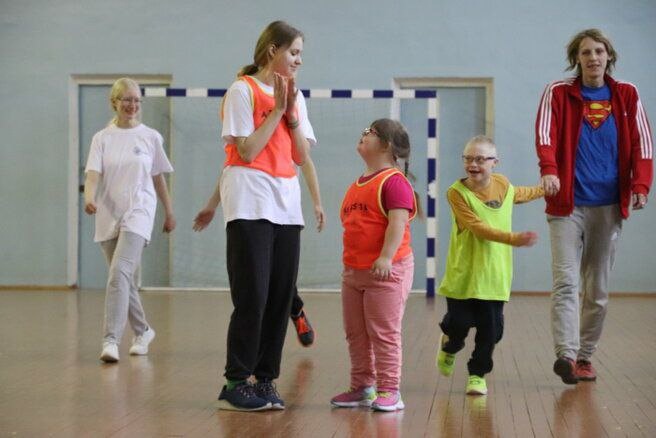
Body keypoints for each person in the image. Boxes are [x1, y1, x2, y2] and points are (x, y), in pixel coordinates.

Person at [205, 21, 315, 411]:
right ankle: (235, 382)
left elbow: (301, 156)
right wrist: (277, 111)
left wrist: (292, 114)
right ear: (272, 50)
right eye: (294, 52)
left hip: (286, 202)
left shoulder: (296, 98)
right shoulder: (242, 90)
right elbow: (247, 151)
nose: (299, 60)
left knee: (281, 295)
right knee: (254, 293)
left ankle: (266, 379)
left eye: (301, 54)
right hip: (249, 198)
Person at [535, 29, 653, 384]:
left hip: (608, 205)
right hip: (566, 206)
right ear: (577, 58)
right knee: (566, 282)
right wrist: (550, 171)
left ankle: (585, 356)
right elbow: (545, 135)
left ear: (608, 56)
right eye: (586, 52)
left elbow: (643, 144)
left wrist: (641, 184)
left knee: (597, 288)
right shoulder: (557, 92)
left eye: (599, 51)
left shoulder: (627, 95)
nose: (593, 58)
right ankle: (566, 355)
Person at [435, 135, 543, 395]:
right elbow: (478, 227)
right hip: (463, 275)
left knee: (491, 330)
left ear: (495, 162)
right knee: (458, 324)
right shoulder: (456, 193)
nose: (473, 164)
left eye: (480, 159)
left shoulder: (503, 184)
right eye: (468, 158)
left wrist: (544, 189)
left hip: (495, 275)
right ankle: (450, 345)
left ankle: (477, 374)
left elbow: (519, 194)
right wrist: (512, 238)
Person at [83, 77, 176, 363]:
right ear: (115, 102)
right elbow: (93, 174)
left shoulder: (150, 137)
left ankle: (111, 340)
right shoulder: (102, 138)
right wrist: (90, 197)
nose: (132, 105)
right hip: (109, 213)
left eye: (136, 100)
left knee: (118, 274)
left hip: (140, 211)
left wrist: (168, 211)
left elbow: (158, 176)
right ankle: (143, 330)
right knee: (123, 279)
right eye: (126, 99)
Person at [331, 119, 419, 412]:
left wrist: (384, 256)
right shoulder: (358, 183)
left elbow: (397, 223)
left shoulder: (394, 182)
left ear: (386, 145)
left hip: (386, 272)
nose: (363, 135)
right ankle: (362, 387)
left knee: (383, 332)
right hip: (354, 273)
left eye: (368, 132)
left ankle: (390, 390)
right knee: (356, 333)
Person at [193, 158, 323, 346]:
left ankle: (296, 311)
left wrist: (317, 203)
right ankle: (251, 356)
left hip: (283, 211)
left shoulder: (296, 128)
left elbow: (306, 161)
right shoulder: (247, 136)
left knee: (279, 279)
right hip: (254, 210)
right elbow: (231, 169)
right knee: (257, 281)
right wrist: (212, 205)